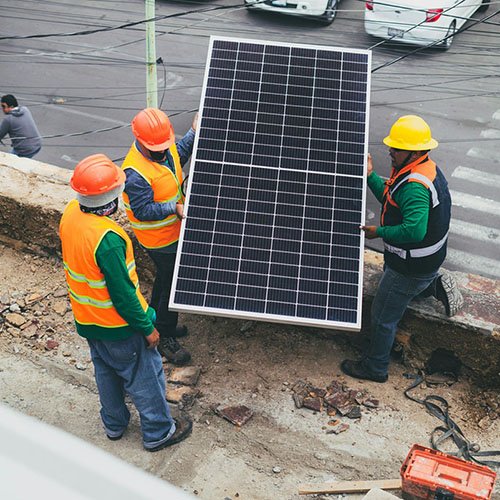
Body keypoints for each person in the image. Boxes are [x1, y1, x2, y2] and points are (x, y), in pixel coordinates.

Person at [59, 153, 192, 451]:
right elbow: (123, 295)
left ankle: (114, 424)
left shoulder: (70, 214)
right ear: (112, 196)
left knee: (106, 372)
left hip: (88, 320)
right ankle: (159, 431)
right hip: (119, 327)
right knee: (145, 377)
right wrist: (148, 327)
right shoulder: (108, 239)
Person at [341, 115, 463, 383]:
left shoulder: (415, 187)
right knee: (398, 287)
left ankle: (374, 367)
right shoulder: (424, 169)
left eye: (397, 148)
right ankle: (434, 284)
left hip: (409, 267)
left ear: (415, 151)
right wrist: (371, 176)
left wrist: (379, 232)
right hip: (423, 262)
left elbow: (414, 231)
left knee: (383, 316)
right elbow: (392, 199)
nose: (391, 152)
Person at [122, 108, 197, 366]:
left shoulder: (163, 150)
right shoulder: (135, 173)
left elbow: (179, 155)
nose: (163, 150)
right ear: (142, 142)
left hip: (175, 232)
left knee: (168, 282)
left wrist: (193, 132)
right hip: (160, 240)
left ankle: (164, 323)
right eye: (157, 147)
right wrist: (172, 208)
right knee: (167, 285)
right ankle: (163, 333)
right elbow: (142, 211)